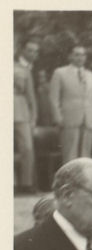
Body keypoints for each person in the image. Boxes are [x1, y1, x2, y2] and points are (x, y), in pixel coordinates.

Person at [49, 44, 92, 164]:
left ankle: (83, 182)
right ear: (70, 56)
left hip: (88, 120)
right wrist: (58, 118)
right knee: (70, 157)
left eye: (83, 55)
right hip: (69, 120)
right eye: (77, 55)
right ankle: (69, 182)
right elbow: (54, 98)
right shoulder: (60, 73)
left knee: (86, 157)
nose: (80, 58)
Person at [14, 38, 39, 194]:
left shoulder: (23, 70)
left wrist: (33, 116)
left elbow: (31, 96)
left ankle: (26, 184)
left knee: (27, 149)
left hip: (21, 111)